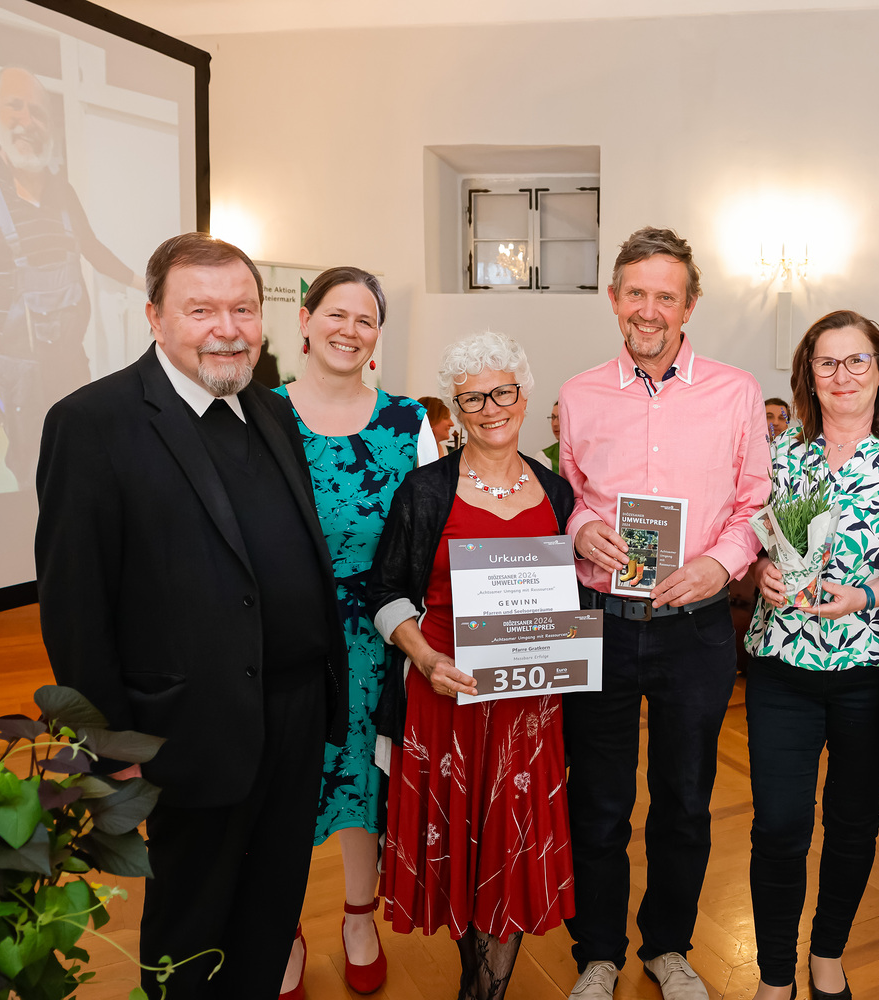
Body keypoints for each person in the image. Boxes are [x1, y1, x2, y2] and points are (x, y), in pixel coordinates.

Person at [34, 232, 346, 998]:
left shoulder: (270, 410)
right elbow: (75, 606)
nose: (227, 329)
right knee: (191, 923)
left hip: (295, 714)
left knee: (272, 907)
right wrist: (110, 746)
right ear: (155, 317)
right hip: (187, 727)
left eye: (243, 309)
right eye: (201, 310)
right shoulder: (93, 423)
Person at [558, 226, 771, 1000]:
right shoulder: (579, 393)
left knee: (684, 800)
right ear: (615, 299)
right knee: (598, 801)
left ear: (689, 305)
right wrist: (581, 526)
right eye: (636, 294)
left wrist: (720, 563)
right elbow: (568, 491)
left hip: (696, 629)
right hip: (599, 622)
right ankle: (598, 953)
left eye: (666, 296)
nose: (649, 310)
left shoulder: (737, 392)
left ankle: (668, 947)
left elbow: (756, 502)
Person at [367, 332, 575, 1000]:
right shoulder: (425, 491)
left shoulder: (557, 492)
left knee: (510, 847)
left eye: (502, 392)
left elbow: (571, 595)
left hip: (528, 707)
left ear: (524, 395)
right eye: (472, 398)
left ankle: (484, 992)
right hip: (446, 697)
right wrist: (424, 656)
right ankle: (474, 981)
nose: (491, 409)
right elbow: (385, 592)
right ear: (455, 410)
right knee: (461, 847)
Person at [272, 267, 438, 998]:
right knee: (283, 783)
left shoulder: (408, 420)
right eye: (335, 314)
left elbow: (433, 532)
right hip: (284, 634)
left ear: (377, 335)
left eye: (365, 319)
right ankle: (281, 927)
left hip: (379, 632)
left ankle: (359, 916)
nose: (349, 330)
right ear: (305, 320)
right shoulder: (261, 414)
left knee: (365, 782)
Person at [745, 311, 879, 1000]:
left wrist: (867, 594)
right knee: (778, 826)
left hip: (869, 670)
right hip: (780, 665)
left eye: (857, 361)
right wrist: (760, 570)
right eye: (827, 363)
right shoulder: (780, 452)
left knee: (852, 824)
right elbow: (750, 537)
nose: (842, 375)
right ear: (808, 376)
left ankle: (827, 954)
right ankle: (773, 974)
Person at [0, 67, 142, 486]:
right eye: (15, 106)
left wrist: (151, 285)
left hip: (70, 362)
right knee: (32, 471)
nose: (27, 120)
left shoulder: (61, 192)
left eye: (37, 112)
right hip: (17, 374)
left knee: (80, 457)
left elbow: (93, 249)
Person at [533, 399, 560, 473]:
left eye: (560, 417)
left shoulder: (587, 453)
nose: (555, 424)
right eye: (553, 417)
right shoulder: (544, 457)